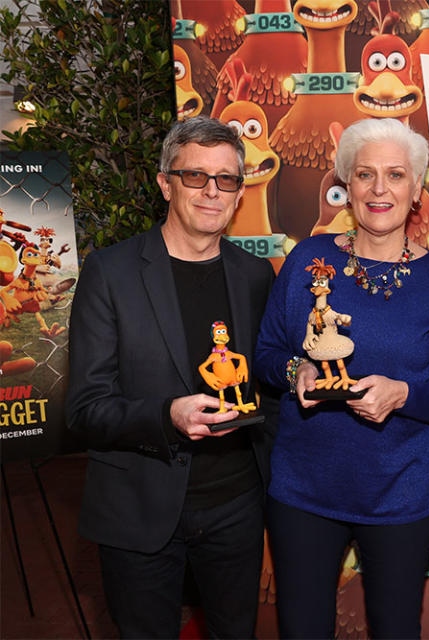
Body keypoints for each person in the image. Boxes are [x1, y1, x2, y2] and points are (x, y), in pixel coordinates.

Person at [254, 117, 429, 639]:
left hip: (402, 494)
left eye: (396, 175)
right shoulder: (307, 259)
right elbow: (265, 354)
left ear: (416, 190)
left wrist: (403, 394)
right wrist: (295, 369)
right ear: (346, 185)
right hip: (304, 490)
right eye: (365, 174)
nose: (379, 189)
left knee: (395, 629)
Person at [66, 115, 276, 638]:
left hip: (237, 507)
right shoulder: (110, 273)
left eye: (227, 179)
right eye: (195, 176)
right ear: (165, 183)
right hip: (140, 507)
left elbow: (269, 378)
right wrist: (167, 415)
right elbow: (85, 408)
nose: (212, 191)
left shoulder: (254, 275)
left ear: (239, 192)